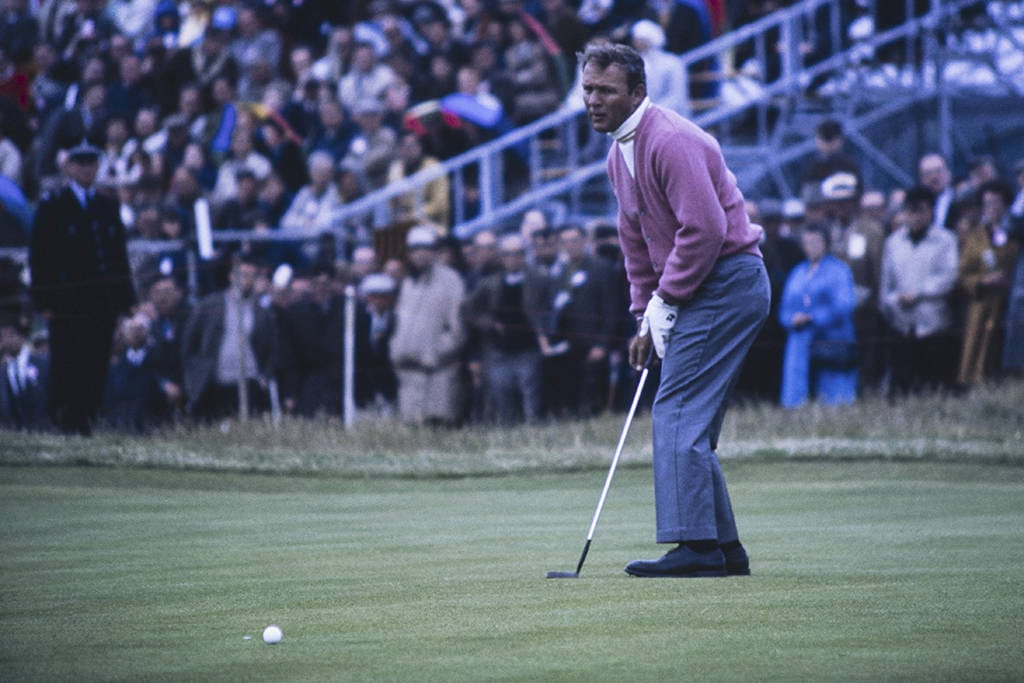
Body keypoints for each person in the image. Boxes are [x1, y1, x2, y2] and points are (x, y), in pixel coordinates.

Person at [581, 44, 768, 578]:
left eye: (606, 91)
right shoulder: (620, 153)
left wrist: (666, 300)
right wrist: (645, 314)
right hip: (698, 287)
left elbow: (705, 231)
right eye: (588, 91)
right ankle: (723, 547)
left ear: (637, 93)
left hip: (726, 281)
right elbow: (635, 242)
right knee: (690, 418)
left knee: (678, 410)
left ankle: (698, 548)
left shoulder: (670, 139)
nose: (594, 101)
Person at [29, 143, 136, 435]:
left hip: (101, 304)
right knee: (66, 365)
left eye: (91, 162)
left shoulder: (106, 205)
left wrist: (126, 301)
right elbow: (40, 257)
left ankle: (88, 424)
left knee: (96, 365)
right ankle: (63, 423)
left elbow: (117, 256)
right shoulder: (53, 206)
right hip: (66, 306)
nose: (87, 168)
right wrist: (44, 302)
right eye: (81, 162)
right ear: (69, 167)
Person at [464, 233, 554, 424]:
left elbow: (549, 308)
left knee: (530, 391)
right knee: (501, 391)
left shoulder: (538, 279)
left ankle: (533, 430)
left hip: (528, 346)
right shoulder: (491, 283)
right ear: (501, 257)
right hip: (500, 348)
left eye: (518, 254)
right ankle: (508, 429)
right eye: (508, 254)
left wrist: (543, 332)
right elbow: (469, 310)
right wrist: (489, 323)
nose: (513, 259)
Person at [879, 187, 959, 397]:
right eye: (910, 211)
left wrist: (920, 293)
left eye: (921, 210)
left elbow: (949, 276)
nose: (915, 216)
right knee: (903, 386)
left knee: (935, 385)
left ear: (931, 211)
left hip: (933, 323)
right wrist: (894, 300)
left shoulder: (945, 240)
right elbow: (887, 283)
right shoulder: (894, 242)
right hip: (902, 324)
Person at [180, 255, 278, 421]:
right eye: (243, 275)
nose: (246, 280)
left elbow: (273, 348)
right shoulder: (210, 306)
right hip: (215, 380)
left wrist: (264, 377)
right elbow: (189, 341)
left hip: (250, 380)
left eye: (252, 276)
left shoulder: (262, 312)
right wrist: (194, 373)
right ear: (232, 276)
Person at [389, 226, 466, 426]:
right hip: (407, 372)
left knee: (438, 430)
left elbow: (457, 328)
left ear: (434, 251)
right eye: (416, 248)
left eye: (426, 248)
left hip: (438, 373)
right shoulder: (406, 282)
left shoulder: (451, 281)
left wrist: (434, 353)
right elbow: (398, 324)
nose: (421, 253)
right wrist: (396, 349)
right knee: (410, 434)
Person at [779, 222, 859, 407]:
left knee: (834, 395)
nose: (812, 246)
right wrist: (792, 319)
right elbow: (785, 308)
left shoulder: (839, 271)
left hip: (831, 339)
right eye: (807, 242)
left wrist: (814, 317)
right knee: (796, 393)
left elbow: (845, 304)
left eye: (816, 241)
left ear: (826, 243)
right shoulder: (798, 272)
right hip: (799, 342)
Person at [956, 180, 1019, 389]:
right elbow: (964, 272)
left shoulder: (1017, 234)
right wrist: (982, 281)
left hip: (1012, 305)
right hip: (983, 305)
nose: (991, 208)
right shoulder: (976, 236)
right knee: (979, 355)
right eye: (987, 203)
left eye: (996, 203)